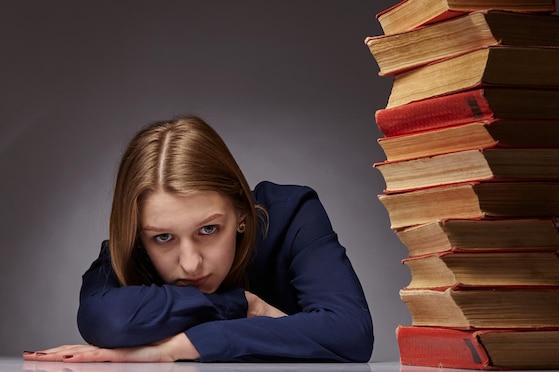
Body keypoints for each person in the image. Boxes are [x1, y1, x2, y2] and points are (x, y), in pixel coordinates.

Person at [23, 116, 374, 363]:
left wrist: (178, 347)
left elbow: (351, 332)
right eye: (163, 237)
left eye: (208, 229)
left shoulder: (292, 213)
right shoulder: (133, 247)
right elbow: (107, 321)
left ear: (241, 210)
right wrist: (243, 306)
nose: (190, 263)